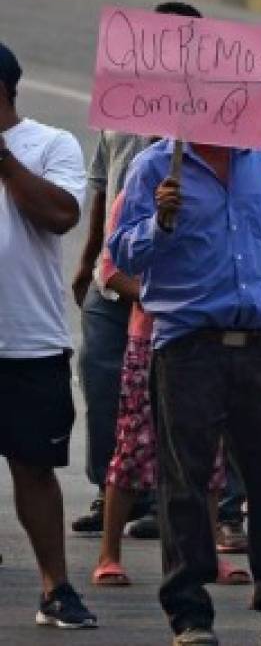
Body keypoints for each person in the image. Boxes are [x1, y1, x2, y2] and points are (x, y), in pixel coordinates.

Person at [110, 131, 261, 645]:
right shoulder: (154, 166)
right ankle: (189, 614)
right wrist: (159, 222)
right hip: (188, 344)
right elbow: (120, 253)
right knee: (185, 483)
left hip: (259, 343)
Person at [92, 188, 247, 589]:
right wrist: (160, 299)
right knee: (133, 445)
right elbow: (110, 270)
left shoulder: (219, 193)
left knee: (209, 449)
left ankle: (209, 551)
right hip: (151, 337)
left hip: (207, 335)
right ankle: (109, 553)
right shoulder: (136, 192)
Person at [0, 42, 97, 630]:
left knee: (34, 467)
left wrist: (6, 163)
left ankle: (55, 589)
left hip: (28, 339)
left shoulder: (50, 144)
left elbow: (62, 215)